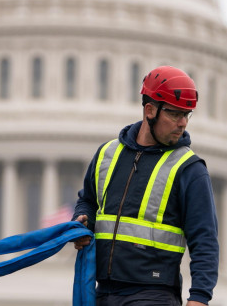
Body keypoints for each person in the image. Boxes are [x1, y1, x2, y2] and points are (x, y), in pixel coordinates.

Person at [73, 66, 219, 306]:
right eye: (174, 114)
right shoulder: (107, 154)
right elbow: (88, 200)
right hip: (103, 291)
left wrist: (200, 297)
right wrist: (82, 218)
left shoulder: (189, 169)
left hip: (153, 294)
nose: (182, 123)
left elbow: (204, 239)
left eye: (187, 114)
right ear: (150, 110)